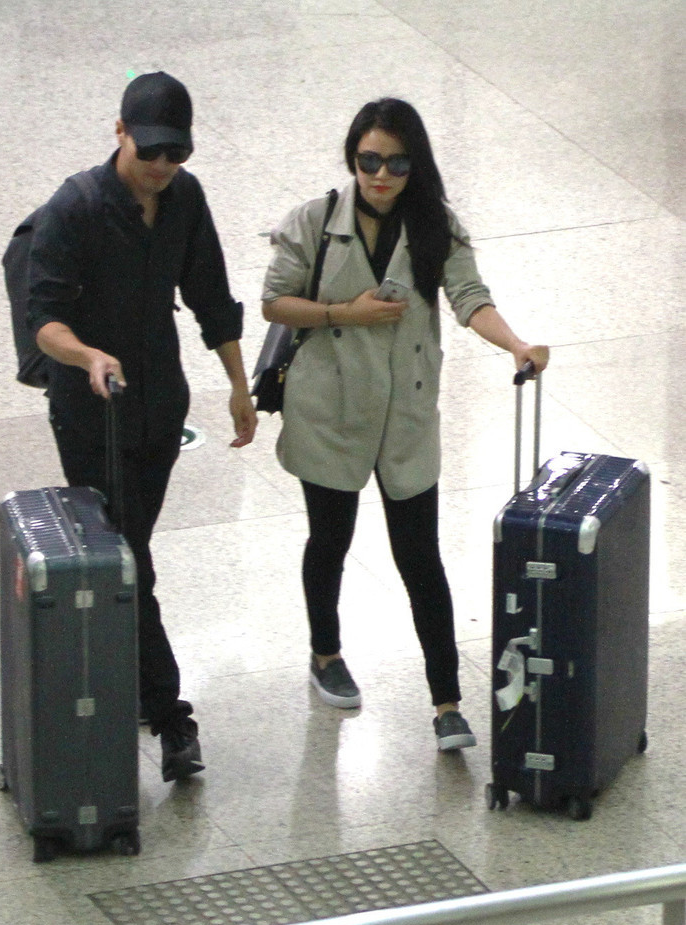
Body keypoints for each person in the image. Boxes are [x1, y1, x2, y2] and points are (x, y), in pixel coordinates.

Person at [261, 97, 548, 751]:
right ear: (352, 158)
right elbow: (275, 303)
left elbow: (469, 297)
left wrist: (515, 345)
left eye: (396, 163)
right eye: (369, 161)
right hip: (329, 410)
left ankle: (447, 702)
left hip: (406, 418)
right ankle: (326, 654)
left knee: (420, 559)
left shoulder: (434, 227)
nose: (381, 176)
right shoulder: (313, 221)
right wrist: (346, 314)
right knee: (329, 540)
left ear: (415, 165)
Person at [27, 71, 257, 781]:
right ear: (119, 131)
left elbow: (212, 296)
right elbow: (43, 320)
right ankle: (171, 717)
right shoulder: (75, 208)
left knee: (131, 551)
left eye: (175, 153)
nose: (161, 166)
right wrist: (88, 356)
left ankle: (125, 682)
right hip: (91, 414)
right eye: (149, 149)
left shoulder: (185, 199)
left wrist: (239, 386)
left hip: (160, 408)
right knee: (130, 557)